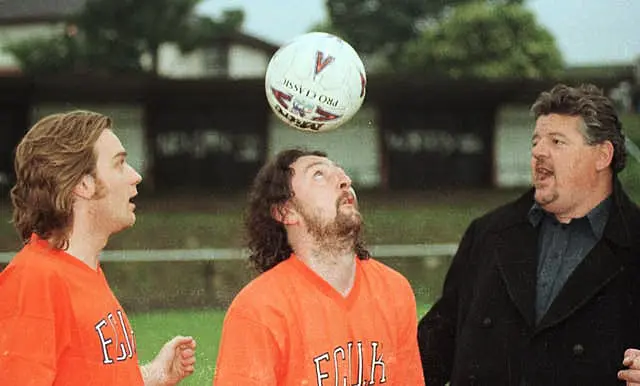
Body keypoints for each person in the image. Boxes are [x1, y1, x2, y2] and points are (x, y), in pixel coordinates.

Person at [418, 83, 640, 385]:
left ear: (602, 156)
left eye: (557, 142)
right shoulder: (488, 233)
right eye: (535, 141)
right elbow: (434, 344)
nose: (538, 152)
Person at [0, 111, 196, 385]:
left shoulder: (83, 273)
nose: (135, 176)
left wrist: (152, 375)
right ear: (83, 184)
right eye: (119, 164)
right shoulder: (34, 281)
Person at [213, 149, 424, 385]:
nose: (344, 180)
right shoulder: (259, 309)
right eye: (319, 175)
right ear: (286, 211)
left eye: (340, 172)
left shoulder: (394, 290)